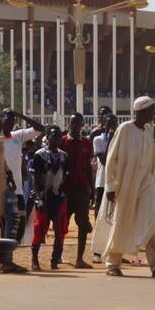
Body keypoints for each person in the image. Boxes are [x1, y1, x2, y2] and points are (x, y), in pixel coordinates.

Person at [98, 96, 155, 279]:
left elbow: (151, 160)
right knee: (121, 221)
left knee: (151, 223)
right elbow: (111, 159)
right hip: (125, 185)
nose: (153, 114)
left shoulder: (149, 130)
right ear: (143, 112)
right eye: (151, 110)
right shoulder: (125, 129)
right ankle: (113, 264)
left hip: (145, 185)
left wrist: (153, 185)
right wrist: (110, 186)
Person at [0, 105, 44, 245]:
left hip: (17, 188)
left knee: (19, 226)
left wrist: (19, 114)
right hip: (1, 189)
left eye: (13, 121)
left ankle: (5, 257)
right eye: (7, 120)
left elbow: (40, 128)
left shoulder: (17, 136)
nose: (10, 123)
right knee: (6, 226)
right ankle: (4, 258)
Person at [31, 126, 69, 270]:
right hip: (44, 197)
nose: (57, 139)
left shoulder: (64, 156)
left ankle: (55, 259)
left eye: (59, 136)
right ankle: (35, 259)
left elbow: (65, 176)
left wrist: (64, 194)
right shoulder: (39, 155)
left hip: (58, 197)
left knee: (60, 230)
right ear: (47, 137)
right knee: (40, 228)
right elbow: (35, 178)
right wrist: (37, 197)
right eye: (54, 136)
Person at [61, 112, 94, 269]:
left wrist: (92, 190)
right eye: (73, 123)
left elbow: (88, 168)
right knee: (62, 223)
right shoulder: (62, 142)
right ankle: (58, 255)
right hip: (65, 190)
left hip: (82, 190)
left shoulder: (87, 143)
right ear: (69, 124)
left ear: (82, 125)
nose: (75, 126)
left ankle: (79, 259)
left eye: (78, 123)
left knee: (82, 225)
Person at [89, 109, 116, 264]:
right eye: (109, 124)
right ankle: (97, 250)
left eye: (114, 124)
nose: (112, 127)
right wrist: (111, 139)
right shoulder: (98, 139)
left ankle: (113, 249)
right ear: (104, 124)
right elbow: (106, 161)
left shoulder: (119, 140)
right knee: (100, 215)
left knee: (115, 217)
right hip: (102, 182)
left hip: (116, 182)